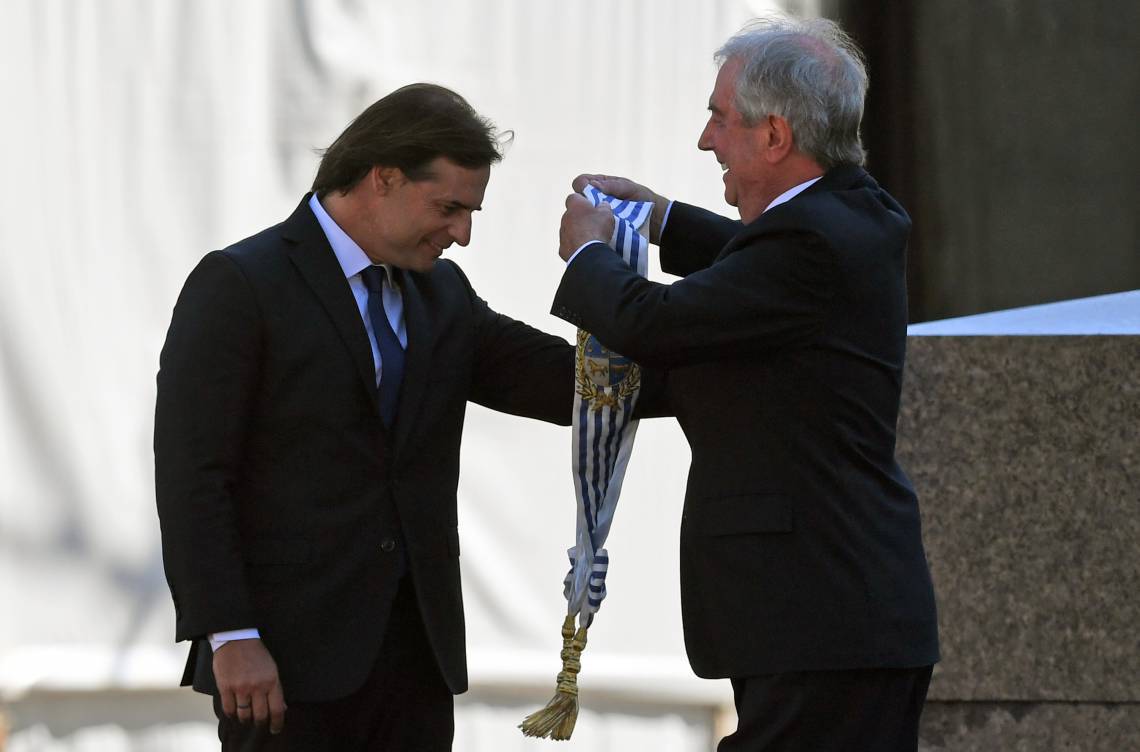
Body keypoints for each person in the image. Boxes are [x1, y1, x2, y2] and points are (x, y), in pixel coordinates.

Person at [554, 17, 939, 752]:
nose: (707, 140)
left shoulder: (815, 244)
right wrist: (660, 219)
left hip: (821, 619)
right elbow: (751, 263)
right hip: (834, 620)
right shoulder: (852, 214)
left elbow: (658, 324)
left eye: (721, 118)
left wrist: (589, 255)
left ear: (775, 137)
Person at [154, 83, 573, 751]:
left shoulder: (442, 295)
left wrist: (708, 341)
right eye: (449, 208)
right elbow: (193, 476)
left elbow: (564, 384)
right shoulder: (241, 284)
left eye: (470, 213)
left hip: (416, 669)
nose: (462, 233)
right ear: (382, 179)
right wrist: (230, 635)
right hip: (282, 671)